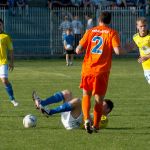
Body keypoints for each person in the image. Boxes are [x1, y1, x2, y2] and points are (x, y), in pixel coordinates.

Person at [76, 11, 126, 133]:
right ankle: (96, 125)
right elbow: (118, 51)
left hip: (87, 69)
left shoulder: (90, 31)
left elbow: (78, 50)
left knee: (86, 95)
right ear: (110, 21)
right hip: (101, 71)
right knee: (98, 99)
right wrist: (127, 49)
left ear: (99, 20)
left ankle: (87, 119)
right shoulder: (112, 33)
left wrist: (82, 47)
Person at [32, 89, 114, 130]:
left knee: (78, 101)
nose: (98, 105)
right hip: (72, 117)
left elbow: (93, 125)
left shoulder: (104, 119)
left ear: (108, 110)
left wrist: (85, 114)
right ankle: (42, 103)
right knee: (67, 93)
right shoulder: (95, 112)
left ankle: (50, 112)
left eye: (102, 105)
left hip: (74, 124)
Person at [0, 19, 18, 107]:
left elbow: (11, 50)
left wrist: (12, 62)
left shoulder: (6, 36)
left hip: (3, 62)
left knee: (4, 80)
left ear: (2, 25)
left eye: (0, 24)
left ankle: (12, 98)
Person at [126, 17, 150, 84]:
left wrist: (147, 57)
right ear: (137, 27)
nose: (143, 28)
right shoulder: (135, 37)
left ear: (147, 25)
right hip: (146, 68)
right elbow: (141, 46)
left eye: (144, 26)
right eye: (141, 26)